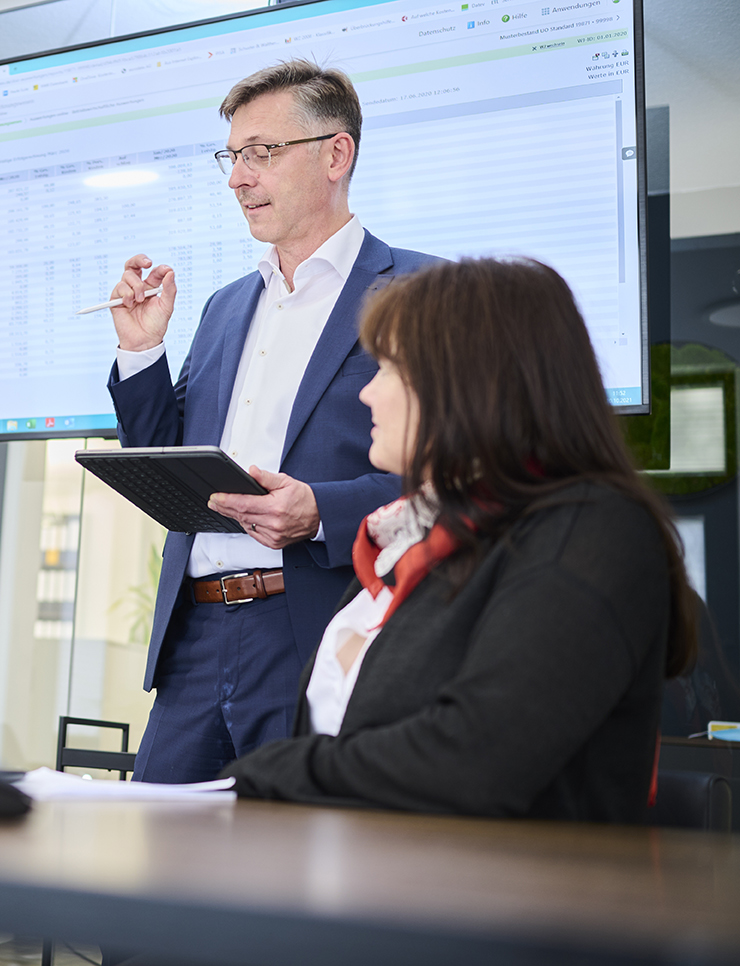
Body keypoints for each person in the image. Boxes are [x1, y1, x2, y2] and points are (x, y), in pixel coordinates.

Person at [221, 258, 697, 822]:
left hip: (507, 901)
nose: (367, 395)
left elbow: (477, 759)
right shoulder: (406, 541)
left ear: (470, 382)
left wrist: (266, 771)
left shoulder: (591, 532)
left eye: (389, 369)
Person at [106, 60, 441, 782]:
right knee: (162, 864)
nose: (237, 177)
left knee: (300, 868)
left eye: (261, 153)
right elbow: (168, 460)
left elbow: (455, 478)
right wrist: (142, 352)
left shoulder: (422, 291)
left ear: (335, 154)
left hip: (318, 624)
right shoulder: (225, 305)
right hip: (193, 636)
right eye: (232, 157)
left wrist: (322, 510)